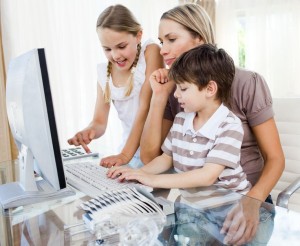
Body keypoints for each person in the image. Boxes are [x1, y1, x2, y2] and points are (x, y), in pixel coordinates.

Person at [139, 3, 284, 245]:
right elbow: (150, 157)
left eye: (171, 39)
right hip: (196, 204)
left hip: (245, 198)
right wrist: (160, 96)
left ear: (200, 39)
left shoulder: (247, 83)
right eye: (161, 41)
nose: (163, 50)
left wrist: (253, 200)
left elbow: (275, 158)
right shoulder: (178, 92)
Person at [108, 44, 251, 194]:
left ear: (210, 89)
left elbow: (207, 176)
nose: (176, 94)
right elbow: (166, 158)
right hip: (197, 203)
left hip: (232, 205)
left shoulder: (229, 126)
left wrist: (152, 180)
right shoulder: (181, 119)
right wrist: (138, 174)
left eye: (183, 88)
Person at [68, 4, 164, 168]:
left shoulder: (151, 52)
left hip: (156, 152)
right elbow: (99, 122)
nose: (115, 55)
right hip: (129, 153)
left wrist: (125, 155)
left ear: (138, 35)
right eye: (107, 49)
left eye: (121, 46)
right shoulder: (104, 74)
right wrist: (89, 131)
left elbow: (145, 108)